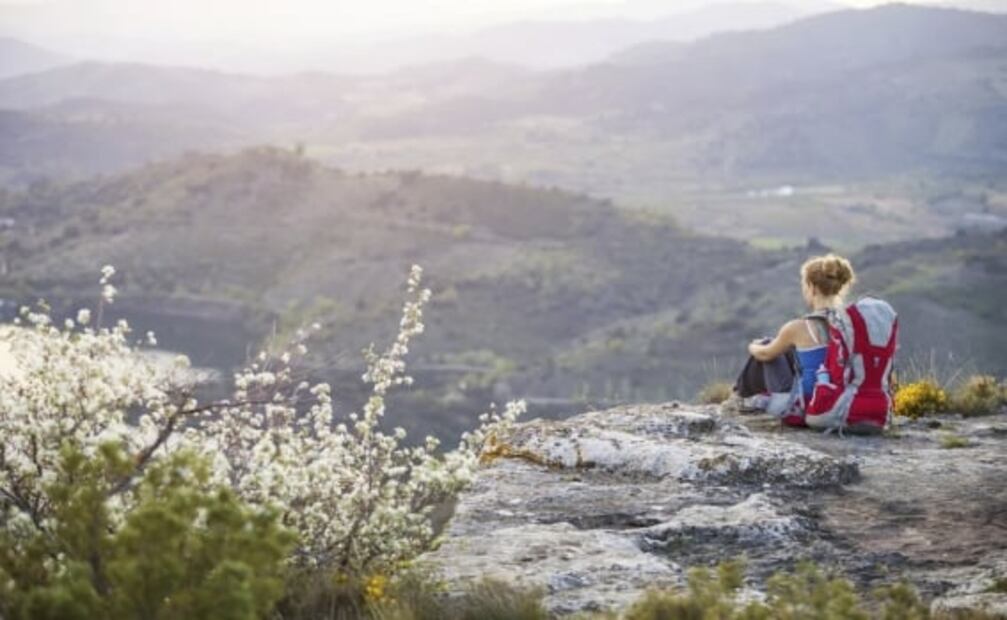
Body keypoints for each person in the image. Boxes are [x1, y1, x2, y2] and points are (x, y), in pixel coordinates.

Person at [734, 254, 856, 409]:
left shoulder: (797, 328)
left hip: (806, 401)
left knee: (766, 345)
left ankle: (739, 397)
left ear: (812, 287)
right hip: (841, 396)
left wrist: (753, 347)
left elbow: (765, 354)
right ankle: (741, 396)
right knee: (787, 350)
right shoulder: (851, 323)